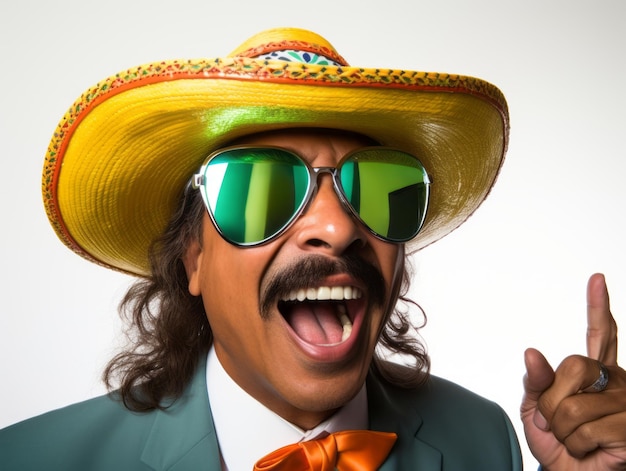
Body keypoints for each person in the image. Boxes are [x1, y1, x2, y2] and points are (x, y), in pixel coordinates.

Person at [1, 27, 624, 470]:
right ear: (192, 257)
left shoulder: (486, 442)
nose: (337, 226)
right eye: (261, 189)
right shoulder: (31, 460)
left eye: (377, 189)